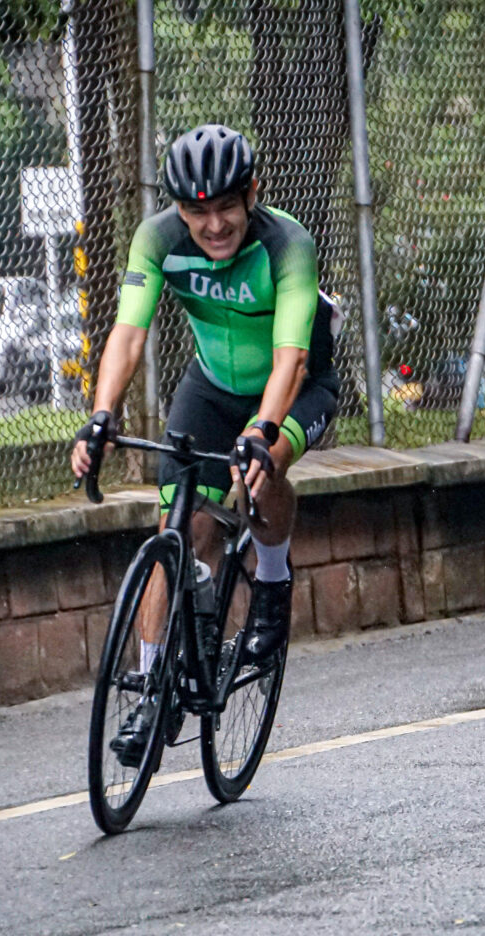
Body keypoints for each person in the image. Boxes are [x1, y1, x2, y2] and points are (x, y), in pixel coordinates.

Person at [71, 123, 339, 763]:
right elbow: (128, 334)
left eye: (225, 207)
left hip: (296, 386)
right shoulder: (157, 239)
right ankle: (151, 689)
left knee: (261, 470)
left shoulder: (288, 245)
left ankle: (271, 584)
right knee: (180, 527)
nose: (213, 225)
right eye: (197, 211)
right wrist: (102, 416)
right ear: (178, 208)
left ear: (252, 194)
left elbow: (292, 357)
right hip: (212, 386)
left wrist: (261, 433)